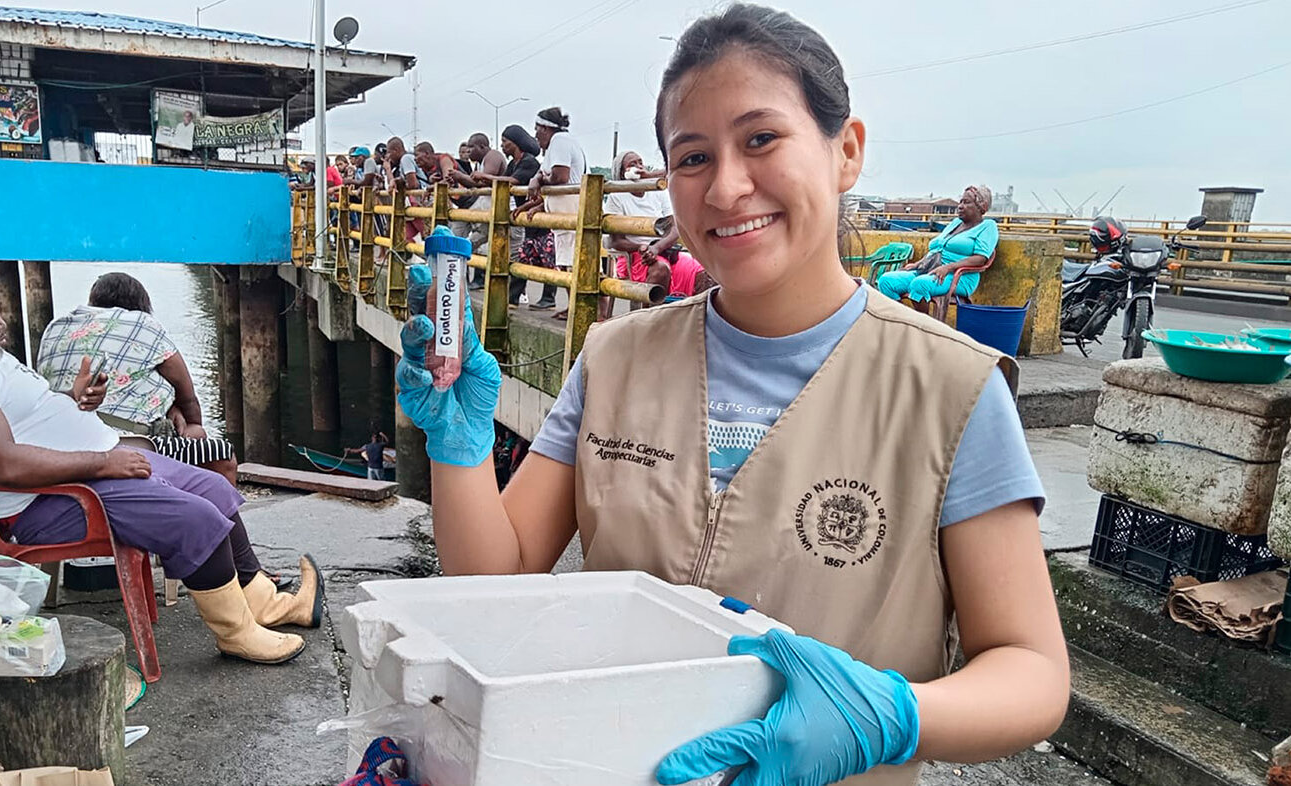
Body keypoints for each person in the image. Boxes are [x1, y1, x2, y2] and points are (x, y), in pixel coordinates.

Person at [393, 6, 1068, 786]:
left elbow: (1031, 671)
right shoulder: (616, 355)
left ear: (844, 150)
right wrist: (462, 451)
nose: (726, 186)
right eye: (691, 157)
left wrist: (892, 715)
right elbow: (495, 590)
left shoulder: (952, 386)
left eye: (760, 139)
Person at [0, 267, 325, 666]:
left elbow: (27, 424)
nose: (0, 323)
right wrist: (104, 462)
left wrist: (75, 401)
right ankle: (237, 634)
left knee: (212, 489)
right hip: (49, 501)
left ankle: (267, 606)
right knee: (196, 519)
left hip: (91, 468)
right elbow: (2, 465)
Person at [38, 272, 238, 484]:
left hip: (60, 442)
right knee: (218, 453)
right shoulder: (143, 323)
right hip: (128, 444)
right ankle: (217, 511)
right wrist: (192, 424)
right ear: (141, 304)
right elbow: (187, 394)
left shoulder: (55, 326)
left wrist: (170, 408)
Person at [604, 150, 711, 309]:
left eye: (640, 162)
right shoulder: (617, 196)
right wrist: (643, 249)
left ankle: (691, 319)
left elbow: (675, 228)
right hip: (634, 257)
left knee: (703, 270)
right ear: (622, 172)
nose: (638, 167)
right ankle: (650, 321)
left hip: (662, 250)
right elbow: (615, 241)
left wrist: (657, 248)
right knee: (660, 269)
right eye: (632, 165)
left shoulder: (658, 192)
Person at [877, 186, 998, 312]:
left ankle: (924, 327)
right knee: (886, 281)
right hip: (930, 270)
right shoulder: (956, 223)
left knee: (919, 284)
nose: (960, 206)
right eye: (960, 202)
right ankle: (903, 320)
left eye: (966, 202)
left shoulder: (988, 227)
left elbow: (981, 258)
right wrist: (918, 264)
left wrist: (948, 267)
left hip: (959, 277)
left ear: (982, 206)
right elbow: (938, 248)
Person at [516, 106, 586, 318]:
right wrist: (537, 200)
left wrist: (538, 180)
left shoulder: (559, 142)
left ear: (546, 128)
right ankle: (575, 306)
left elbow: (560, 177)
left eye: (537, 129)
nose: (535, 135)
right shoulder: (560, 143)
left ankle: (594, 310)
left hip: (571, 210)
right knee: (566, 263)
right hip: (563, 212)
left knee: (577, 262)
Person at [446, 133, 510, 291]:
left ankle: (475, 277)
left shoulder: (492, 156)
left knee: (477, 244)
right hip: (483, 208)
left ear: (482, 146)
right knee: (462, 234)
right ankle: (461, 273)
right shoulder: (479, 163)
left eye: (471, 147)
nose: (468, 151)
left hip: (497, 210)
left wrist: (460, 177)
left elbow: (482, 183)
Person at [496, 125, 544, 307]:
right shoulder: (513, 163)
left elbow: (512, 182)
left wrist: (485, 177)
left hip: (536, 214)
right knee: (524, 256)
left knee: (546, 258)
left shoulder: (529, 162)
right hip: (524, 216)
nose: (502, 146)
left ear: (515, 143)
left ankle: (547, 298)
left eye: (505, 142)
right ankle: (512, 298)